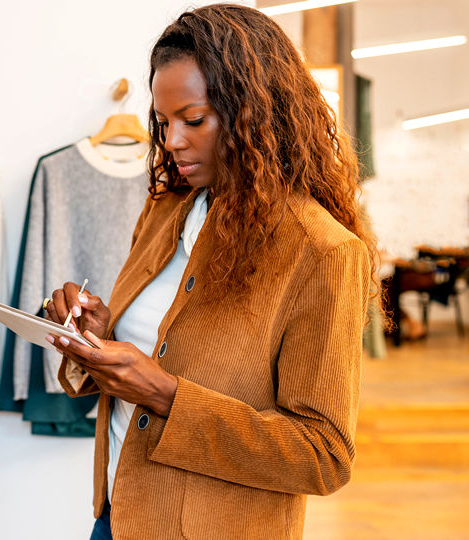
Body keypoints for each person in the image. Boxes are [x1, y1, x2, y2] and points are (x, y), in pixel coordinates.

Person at [43, 4, 378, 539]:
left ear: (255, 114)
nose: (172, 140)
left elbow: (324, 455)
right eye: (164, 121)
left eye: (193, 120)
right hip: (116, 515)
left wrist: (165, 396)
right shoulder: (166, 207)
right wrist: (98, 337)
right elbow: (154, 349)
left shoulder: (322, 253)